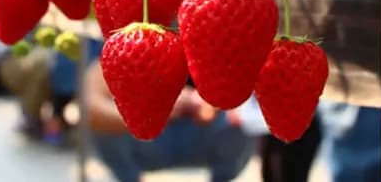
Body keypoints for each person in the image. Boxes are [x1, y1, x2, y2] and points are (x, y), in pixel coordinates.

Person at [85, 60, 257, 182]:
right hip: (146, 141)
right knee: (102, 124)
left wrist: (211, 102)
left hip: (204, 134)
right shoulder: (130, 46)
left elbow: (244, 98)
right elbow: (90, 104)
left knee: (243, 121)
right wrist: (152, 111)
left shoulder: (215, 44)